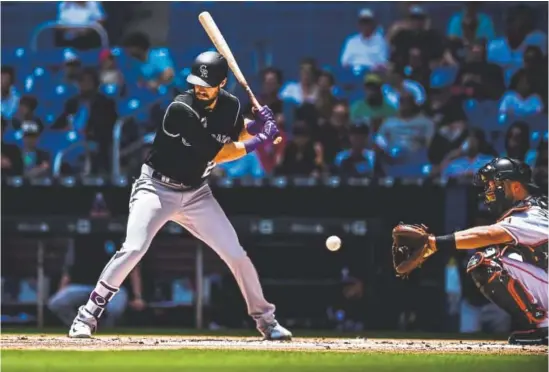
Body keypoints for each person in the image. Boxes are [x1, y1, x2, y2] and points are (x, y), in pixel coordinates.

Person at [67, 51, 292, 341]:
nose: (200, 88)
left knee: (237, 255)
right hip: (156, 189)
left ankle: (267, 321)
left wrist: (257, 124)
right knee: (134, 248)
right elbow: (220, 152)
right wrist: (260, 139)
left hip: (197, 193)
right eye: (197, 82)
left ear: (222, 83)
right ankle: (86, 316)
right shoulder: (180, 109)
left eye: (207, 84)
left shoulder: (230, 105)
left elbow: (235, 131)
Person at [411, 158, 548, 344]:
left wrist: (434, 243)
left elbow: (490, 234)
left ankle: (545, 328)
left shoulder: (530, 214)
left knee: (487, 261)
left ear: (516, 187)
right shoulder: (536, 208)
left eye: (494, 184)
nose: (489, 190)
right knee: (507, 255)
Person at [48, 238, 145, 327]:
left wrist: (137, 297)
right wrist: (61, 290)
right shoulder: (79, 238)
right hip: (82, 286)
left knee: (115, 309)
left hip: (111, 287)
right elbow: (68, 270)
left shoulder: (120, 237)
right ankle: (81, 326)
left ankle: (105, 331)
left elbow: (133, 269)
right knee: (56, 303)